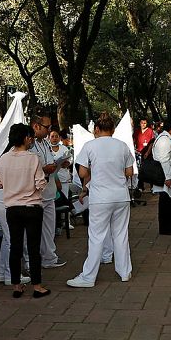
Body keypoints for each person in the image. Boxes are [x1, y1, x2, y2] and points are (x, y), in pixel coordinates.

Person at [66, 113, 134, 288]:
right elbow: (129, 172)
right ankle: (124, 272)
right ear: (113, 129)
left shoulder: (90, 146)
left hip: (100, 197)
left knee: (96, 236)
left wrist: (95, 173)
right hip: (121, 196)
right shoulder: (122, 145)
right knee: (121, 234)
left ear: (96, 129)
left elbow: (82, 173)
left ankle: (88, 277)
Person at [0, 124, 51, 298]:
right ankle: (37, 286)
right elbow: (40, 183)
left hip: (12, 209)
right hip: (32, 207)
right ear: (27, 138)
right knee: (33, 248)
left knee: (15, 247)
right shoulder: (33, 158)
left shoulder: (3, 158)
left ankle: (16, 285)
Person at [28, 117, 66, 268]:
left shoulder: (45, 143)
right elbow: (28, 168)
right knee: (34, 229)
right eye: (47, 127)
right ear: (36, 126)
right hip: (35, 193)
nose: (49, 130)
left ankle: (49, 257)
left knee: (49, 227)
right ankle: (32, 260)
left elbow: (50, 161)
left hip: (49, 191)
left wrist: (57, 164)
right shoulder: (29, 144)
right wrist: (44, 169)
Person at [152, 118, 171, 235]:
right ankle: (166, 228)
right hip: (167, 179)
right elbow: (164, 160)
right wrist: (168, 177)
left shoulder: (168, 138)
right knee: (167, 204)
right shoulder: (164, 140)